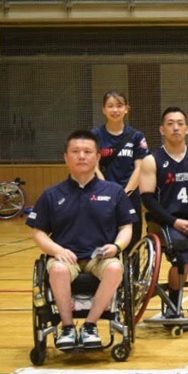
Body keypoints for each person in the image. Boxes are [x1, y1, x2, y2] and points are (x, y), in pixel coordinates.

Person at [27, 130, 136, 349]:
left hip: (100, 258)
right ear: (66, 158)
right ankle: (67, 327)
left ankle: (90, 325)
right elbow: (38, 232)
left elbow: (126, 227)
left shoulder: (114, 192)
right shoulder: (52, 194)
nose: (82, 156)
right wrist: (57, 251)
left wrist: (116, 246)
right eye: (75, 151)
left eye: (87, 152)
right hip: (66, 258)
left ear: (97, 157)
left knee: (116, 268)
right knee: (58, 270)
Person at [139, 107, 188, 318]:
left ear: (187, 129)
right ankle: (174, 303)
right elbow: (147, 199)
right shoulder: (152, 160)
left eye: (180, 124)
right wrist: (174, 222)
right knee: (183, 256)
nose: (176, 128)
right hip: (165, 221)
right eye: (170, 124)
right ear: (162, 129)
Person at [92, 90, 148, 250]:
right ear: (104, 110)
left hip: (129, 196)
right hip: (102, 195)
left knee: (132, 242)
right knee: (105, 239)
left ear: (126, 109)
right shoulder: (95, 135)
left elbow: (140, 168)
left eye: (119, 105)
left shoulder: (136, 136)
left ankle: (131, 266)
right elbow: (94, 166)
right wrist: (106, 190)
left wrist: (124, 193)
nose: (115, 110)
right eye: (110, 106)